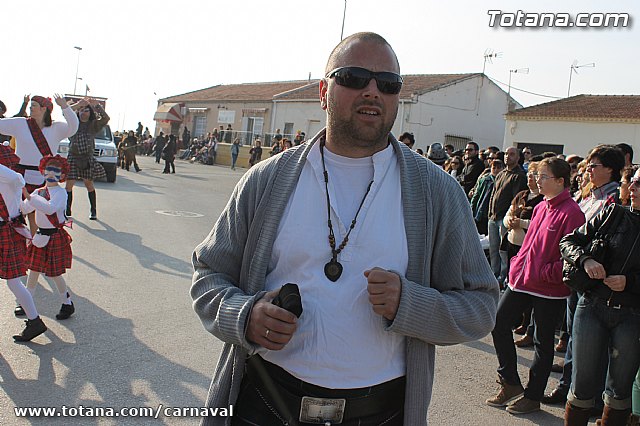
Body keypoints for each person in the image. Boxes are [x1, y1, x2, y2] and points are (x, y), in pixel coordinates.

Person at [190, 31, 499, 426]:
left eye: (387, 84)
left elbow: (481, 306)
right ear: (323, 91)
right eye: (354, 77)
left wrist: (411, 304)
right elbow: (208, 275)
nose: (372, 91)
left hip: (380, 413)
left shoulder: (437, 191)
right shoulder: (267, 180)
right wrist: (244, 316)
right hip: (264, 402)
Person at [487, 157, 585, 415]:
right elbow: (528, 244)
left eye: (543, 177)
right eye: (538, 176)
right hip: (523, 279)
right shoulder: (541, 206)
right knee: (497, 323)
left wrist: (544, 272)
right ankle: (510, 382)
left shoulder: (572, 213)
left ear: (561, 182)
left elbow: (570, 256)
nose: (538, 181)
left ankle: (532, 396)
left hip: (548, 286)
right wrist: (519, 265)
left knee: (543, 343)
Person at [544, 145, 626, 407]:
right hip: (578, 272)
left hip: (594, 280)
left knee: (588, 343)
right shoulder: (589, 196)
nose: (588, 170)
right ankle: (571, 387)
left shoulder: (614, 201)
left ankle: (579, 393)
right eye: (588, 165)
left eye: (594, 166)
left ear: (610, 170)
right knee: (573, 336)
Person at [560, 167, 640, 425]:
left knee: (619, 390)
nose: (635, 187)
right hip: (592, 306)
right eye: (634, 182)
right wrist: (585, 260)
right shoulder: (613, 213)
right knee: (581, 385)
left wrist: (629, 282)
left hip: (631, 315)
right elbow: (568, 242)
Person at [0, 143, 47, 341]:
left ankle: (35, 321)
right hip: (9, 227)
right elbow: (18, 179)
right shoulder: (10, 174)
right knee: (14, 282)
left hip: (4, 229)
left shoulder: (6, 174)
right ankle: (34, 321)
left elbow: (17, 179)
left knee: (14, 282)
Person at [21, 155, 75, 321]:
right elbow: (23, 208)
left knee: (55, 273)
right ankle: (26, 302)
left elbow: (50, 209)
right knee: (34, 269)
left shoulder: (60, 193)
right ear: (42, 171)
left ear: (62, 175)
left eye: (56, 171)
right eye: (48, 170)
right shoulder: (38, 191)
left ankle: (67, 303)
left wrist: (30, 197)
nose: (51, 174)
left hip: (54, 237)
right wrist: (15, 193)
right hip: (39, 236)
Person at [487, 147, 527, 286]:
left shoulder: (519, 176)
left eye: (512, 154)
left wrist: (510, 218)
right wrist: (490, 213)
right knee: (493, 249)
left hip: (505, 219)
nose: (508, 157)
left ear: (518, 157)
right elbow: (494, 193)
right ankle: (493, 275)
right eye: (506, 154)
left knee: (503, 251)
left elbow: (517, 200)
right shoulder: (501, 173)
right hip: (493, 217)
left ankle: (504, 277)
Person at [65, 98, 109, 220]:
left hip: (86, 157)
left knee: (88, 184)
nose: (83, 112)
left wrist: (97, 106)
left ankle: (93, 210)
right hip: (73, 156)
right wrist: (78, 105)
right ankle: (67, 210)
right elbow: (66, 112)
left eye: (86, 111)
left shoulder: (93, 125)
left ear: (90, 113)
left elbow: (105, 119)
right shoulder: (73, 123)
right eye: (81, 110)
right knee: (69, 185)